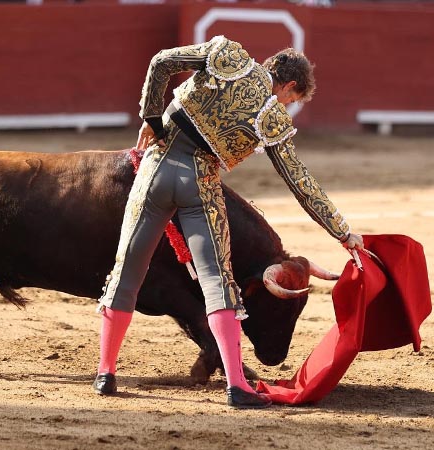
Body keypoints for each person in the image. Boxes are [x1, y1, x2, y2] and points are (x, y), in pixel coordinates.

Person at [93, 35, 364, 408]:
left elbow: (161, 62)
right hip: (200, 185)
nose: (286, 105)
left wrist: (151, 118)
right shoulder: (272, 119)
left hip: (155, 169)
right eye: (291, 99)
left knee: (127, 272)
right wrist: (343, 233)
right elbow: (301, 184)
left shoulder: (226, 53)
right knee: (219, 284)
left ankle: (105, 374)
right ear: (289, 85)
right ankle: (237, 386)